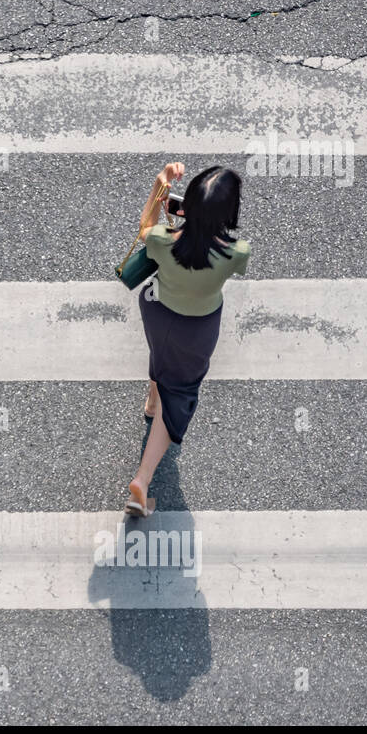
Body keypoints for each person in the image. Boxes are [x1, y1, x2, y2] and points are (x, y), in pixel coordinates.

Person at [125, 162, 250, 517]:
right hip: (197, 328)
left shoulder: (163, 240)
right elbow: (221, 246)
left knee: (162, 355)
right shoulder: (237, 252)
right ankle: (141, 480)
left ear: (188, 203)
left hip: (157, 311)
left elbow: (145, 227)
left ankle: (152, 400)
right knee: (178, 394)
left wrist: (160, 185)